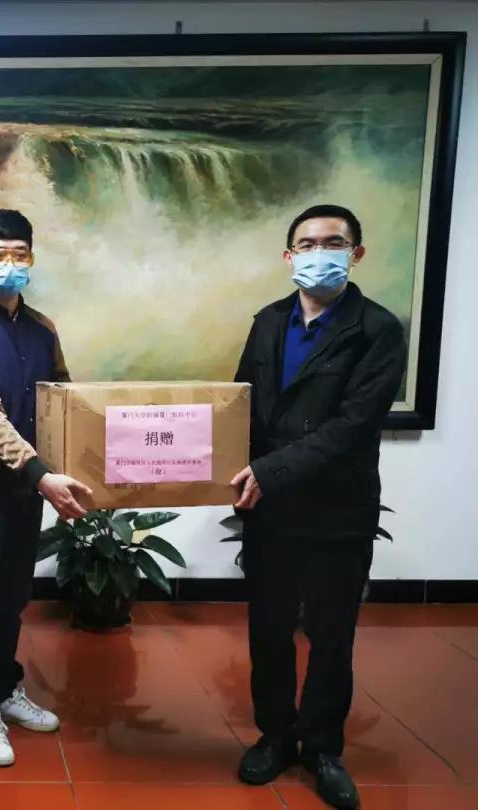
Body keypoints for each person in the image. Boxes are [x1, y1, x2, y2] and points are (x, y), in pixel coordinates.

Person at [231, 204, 406, 809]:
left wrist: (268, 470)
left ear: (356, 254)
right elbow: (240, 405)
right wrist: (206, 463)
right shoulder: (268, 322)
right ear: (288, 257)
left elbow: (351, 427)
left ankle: (324, 748)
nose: (318, 254)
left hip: (338, 509)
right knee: (269, 629)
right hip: (271, 511)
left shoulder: (378, 330)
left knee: (332, 636)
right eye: (306, 245)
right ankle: (275, 736)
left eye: (333, 243)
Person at [0, 209, 91, 767]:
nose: (9, 263)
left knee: (13, 595)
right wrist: (42, 474)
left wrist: (83, 460)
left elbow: (63, 398)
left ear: (31, 258)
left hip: (29, 490)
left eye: (19, 254)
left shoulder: (44, 328)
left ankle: (5, 687)